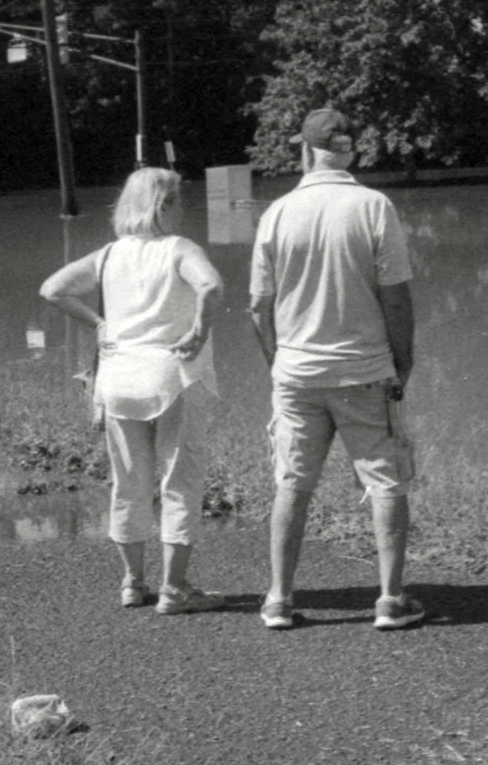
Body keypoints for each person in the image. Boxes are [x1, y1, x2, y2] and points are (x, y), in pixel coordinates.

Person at [247, 106, 421, 631]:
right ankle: (390, 600)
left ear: (305, 152)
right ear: (352, 152)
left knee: (292, 484)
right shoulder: (373, 206)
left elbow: (259, 304)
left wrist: (279, 363)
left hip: (297, 375)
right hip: (365, 371)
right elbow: (395, 296)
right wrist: (402, 360)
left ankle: (278, 599)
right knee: (386, 482)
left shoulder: (276, 213)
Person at [39, 167, 230, 614]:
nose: (183, 209)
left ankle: (132, 582)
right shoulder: (180, 249)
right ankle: (175, 590)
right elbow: (212, 285)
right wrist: (200, 329)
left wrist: (100, 324)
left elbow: (53, 290)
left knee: (129, 483)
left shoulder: (108, 256)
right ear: (162, 205)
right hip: (173, 378)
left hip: (119, 381)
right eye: (179, 201)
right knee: (179, 482)